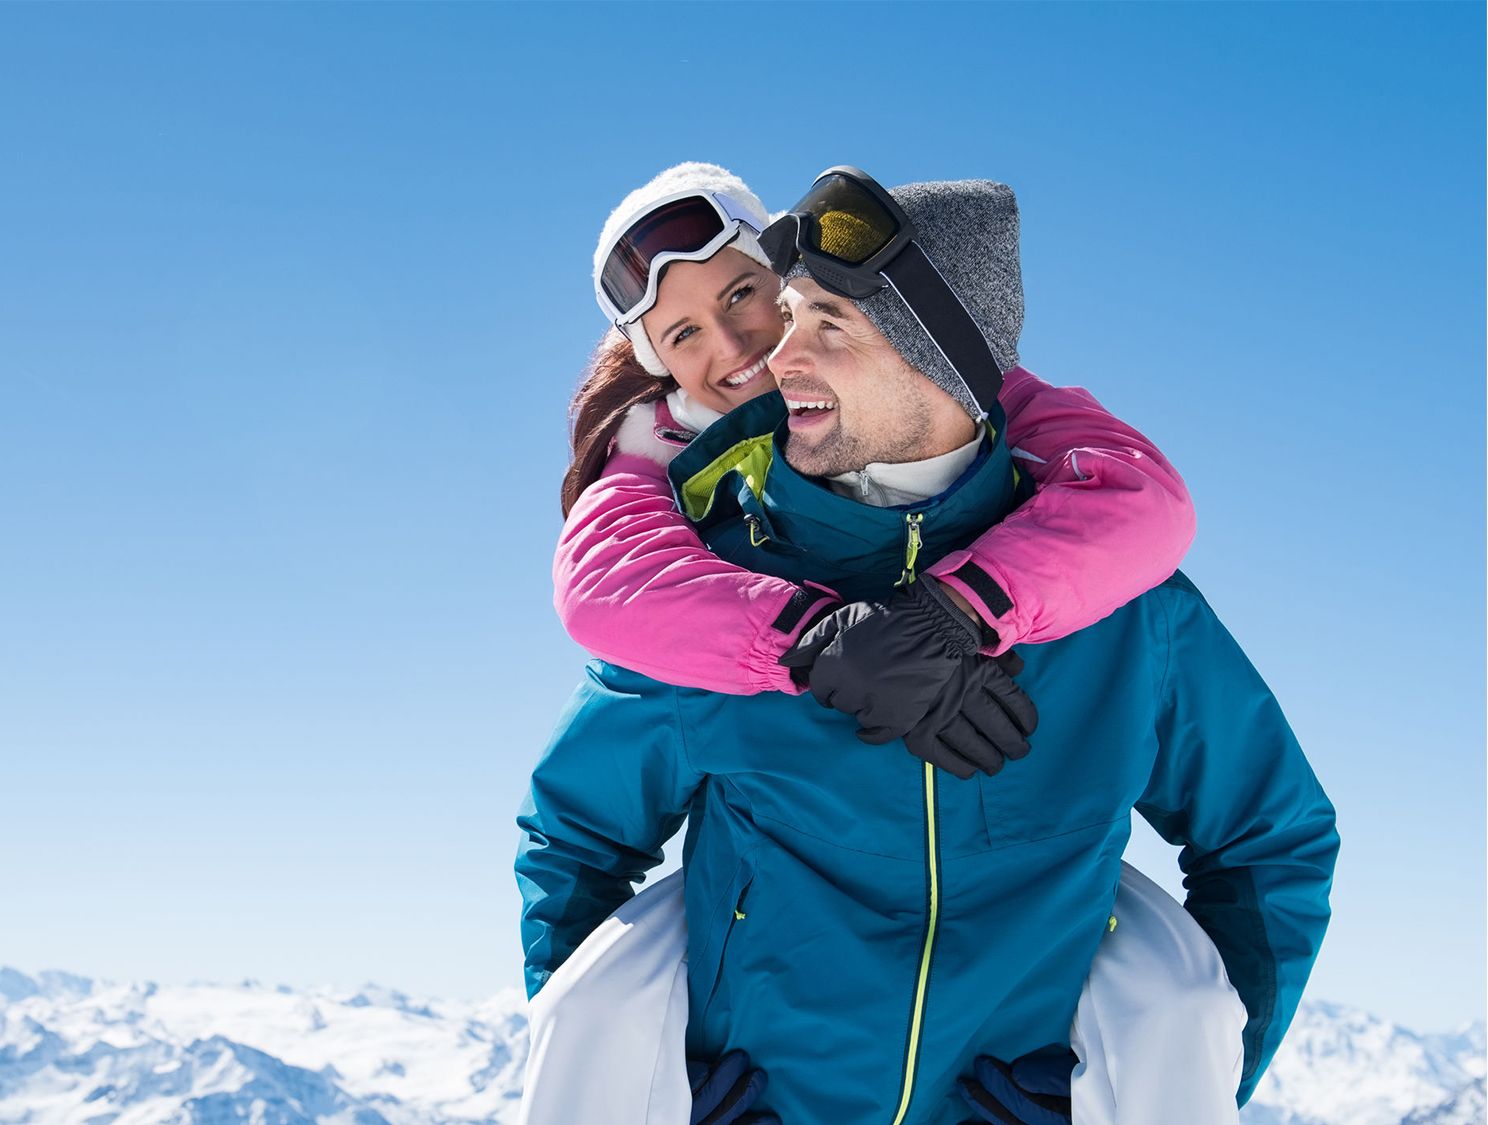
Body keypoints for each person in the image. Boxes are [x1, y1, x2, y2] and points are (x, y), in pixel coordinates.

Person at [515, 168, 1337, 1125]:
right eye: (788, 318)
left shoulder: (1123, 610)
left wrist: (1161, 1085)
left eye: (825, 325)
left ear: (938, 358)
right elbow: (572, 840)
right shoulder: (711, 592)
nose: (775, 359)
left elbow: (1271, 840)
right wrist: (644, 1080)